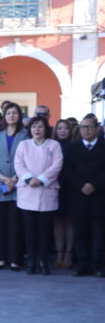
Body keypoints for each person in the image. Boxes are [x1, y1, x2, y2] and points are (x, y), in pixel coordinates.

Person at [14, 116, 63, 275]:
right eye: (34, 126)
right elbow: (18, 164)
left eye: (40, 126)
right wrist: (29, 178)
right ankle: (31, 261)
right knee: (29, 231)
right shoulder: (23, 145)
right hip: (27, 192)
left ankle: (43, 261)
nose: (37, 129)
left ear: (45, 128)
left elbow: (57, 165)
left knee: (44, 231)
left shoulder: (54, 145)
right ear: (30, 129)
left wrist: (41, 179)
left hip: (46, 192)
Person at [0, 102, 28, 271]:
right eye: (9, 113)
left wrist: (16, 178)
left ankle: (15, 259)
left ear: (19, 116)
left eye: (15, 113)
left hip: (18, 185)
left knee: (15, 224)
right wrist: (3, 178)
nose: (12, 116)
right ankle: (1, 258)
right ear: (5, 116)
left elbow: (27, 159)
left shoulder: (25, 135)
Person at [61, 115, 105, 277]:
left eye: (88, 127)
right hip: (78, 196)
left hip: (99, 196)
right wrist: (81, 185)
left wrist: (94, 184)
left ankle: (98, 265)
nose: (85, 130)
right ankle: (82, 265)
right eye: (82, 127)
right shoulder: (73, 148)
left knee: (98, 234)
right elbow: (68, 170)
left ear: (97, 128)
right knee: (80, 234)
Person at [52, 119, 75, 268]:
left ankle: (69, 254)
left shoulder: (74, 146)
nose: (62, 131)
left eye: (65, 128)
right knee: (57, 222)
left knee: (70, 222)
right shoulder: (52, 146)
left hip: (71, 188)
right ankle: (59, 253)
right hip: (54, 187)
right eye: (59, 128)